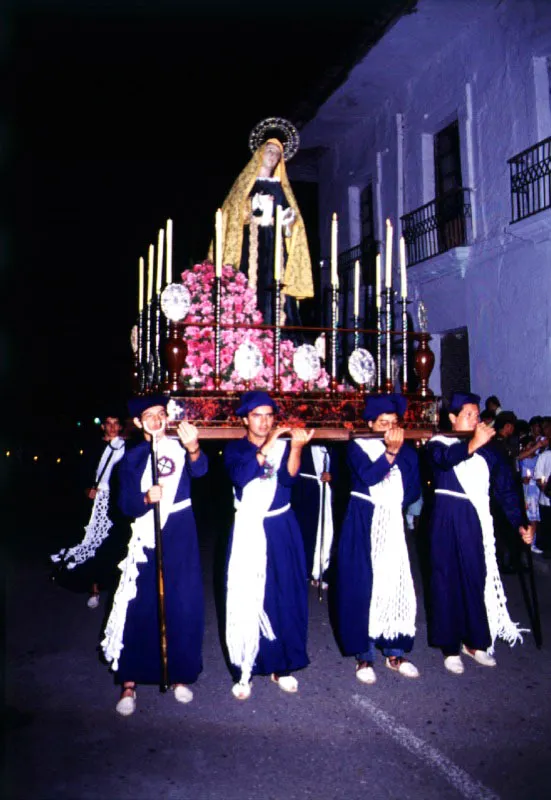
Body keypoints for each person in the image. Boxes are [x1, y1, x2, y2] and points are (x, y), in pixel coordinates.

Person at [101, 395, 207, 716]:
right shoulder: (132, 458)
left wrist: (194, 449)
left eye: (161, 414)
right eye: (150, 415)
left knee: (182, 602)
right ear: (138, 423)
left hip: (181, 532)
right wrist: (146, 497)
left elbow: (200, 472)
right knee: (141, 604)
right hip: (148, 535)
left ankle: (179, 674)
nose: (157, 420)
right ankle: (130, 681)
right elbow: (126, 506)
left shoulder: (179, 445)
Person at [425, 392, 533, 675]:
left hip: (476, 521)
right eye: (467, 415)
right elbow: (443, 460)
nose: (474, 420)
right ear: (452, 418)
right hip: (446, 518)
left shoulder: (490, 450)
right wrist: (472, 444)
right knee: (446, 578)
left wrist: (521, 523)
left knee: (475, 577)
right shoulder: (440, 442)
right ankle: (449, 646)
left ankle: (475, 642)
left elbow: (506, 490)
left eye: (476, 415)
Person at [223, 390, 314, 700]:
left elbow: (289, 480)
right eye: (257, 416)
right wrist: (270, 444)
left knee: (285, 593)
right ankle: (246, 668)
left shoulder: (284, 446)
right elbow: (242, 476)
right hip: (250, 527)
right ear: (245, 419)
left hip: (282, 527)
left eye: (269, 416)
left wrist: (297, 448)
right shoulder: (235, 449)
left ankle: (282, 665)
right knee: (249, 596)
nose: (264, 422)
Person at [336, 394, 421, 685]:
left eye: (394, 423)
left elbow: (413, 490)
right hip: (362, 519)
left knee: (394, 583)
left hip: (391, 523)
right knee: (362, 586)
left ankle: (395, 651)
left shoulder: (407, 451)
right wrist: (389, 454)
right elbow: (370, 476)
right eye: (382, 423)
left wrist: (392, 503)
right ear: (370, 423)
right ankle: (364, 654)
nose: (388, 429)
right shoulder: (357, 446)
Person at [211, 126, 313, 328]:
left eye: (277, 153)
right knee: (252, 282)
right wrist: (254, 204)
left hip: (275, 245)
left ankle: (279, 333)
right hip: (251, 242)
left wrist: (288, 221)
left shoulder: (281, 187)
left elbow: (292, 222)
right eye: (269, 150)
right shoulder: (247, 183)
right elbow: (231, 211)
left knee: (276, 287)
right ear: (260, 153)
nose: (273, 155)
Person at [50, 413, 127, 608]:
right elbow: (79, 473)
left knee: (107, 546)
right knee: (87, 542)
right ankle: (89, 585)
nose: (111, 427)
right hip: (92, 504)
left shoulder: (125, 448)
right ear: (103, 427)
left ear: (120, 426)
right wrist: (86, 489)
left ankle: (101, 586)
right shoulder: (94, 447)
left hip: (114, 505)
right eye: (108, 424)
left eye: (115, 423)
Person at [292, 443, 335, 589]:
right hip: (302, 491)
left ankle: (322, 571)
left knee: (325, 533)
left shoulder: (334, 443)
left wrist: (332, 476)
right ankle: (304, 570)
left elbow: (345, 468)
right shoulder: (300, 441)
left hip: (326, 492)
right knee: (304, 532)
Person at [534, 418, 551, 556]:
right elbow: (539, 477)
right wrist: (545, 489)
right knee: (546, 526)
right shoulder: (544, 456)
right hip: (546, 498)